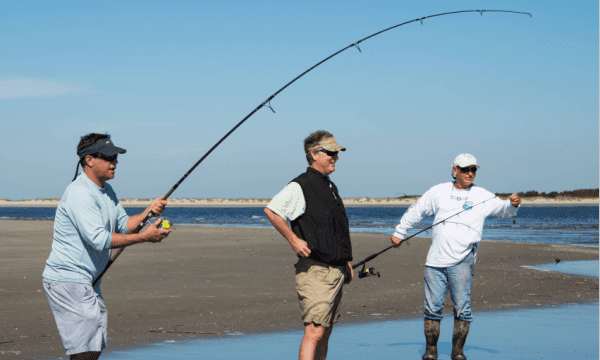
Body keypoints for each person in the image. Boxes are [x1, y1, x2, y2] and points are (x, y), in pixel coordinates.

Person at [42, 133, 172, 360]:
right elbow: (100, 240)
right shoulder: (79, 193)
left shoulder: (106, 190)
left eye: (116, 157)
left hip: (89, 281)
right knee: (83, 350)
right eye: (109, 156)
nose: (115, 162)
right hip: (67, 279)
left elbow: (124, 225)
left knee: (94, 345)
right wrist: (145, 238)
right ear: (89, 159)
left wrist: (149, 212)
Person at [391, 154, 521, 360]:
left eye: (473, 169)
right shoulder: (438, 192)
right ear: (455, 170)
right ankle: (431, 351)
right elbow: (417, 210)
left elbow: (504, 210)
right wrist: (400, 232)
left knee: (462, 309)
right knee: (432, 308)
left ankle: (457, 352)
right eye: (465, 169)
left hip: (463, 261)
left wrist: (512, 204)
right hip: (434, 262)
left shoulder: (482, 195)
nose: (470, 173)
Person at [264, 130, 353, 360]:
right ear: (314, 154)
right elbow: (272, 210)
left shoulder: (330, 187)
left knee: (326, 331)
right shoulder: (300, 185)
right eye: (331, 153)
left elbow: (337, 228)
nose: (335, 157)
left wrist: (347, 260)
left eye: (337, 153)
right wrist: (294, 240)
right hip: (315, 271)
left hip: (336, 270)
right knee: (314, 331)